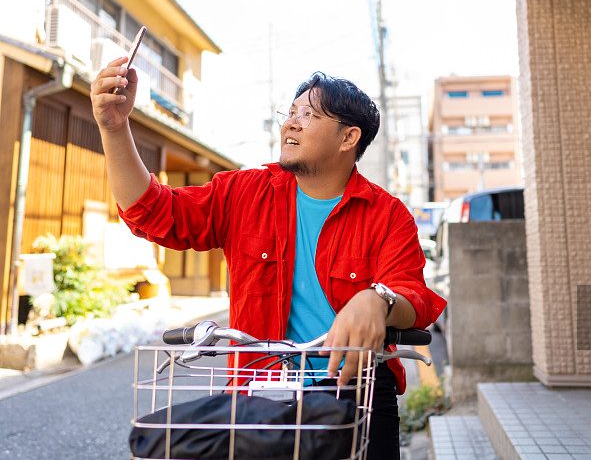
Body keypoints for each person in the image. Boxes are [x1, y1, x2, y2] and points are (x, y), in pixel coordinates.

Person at [90, 57, 446, 459]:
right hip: (259, 389)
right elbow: (153, 212)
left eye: (308, 115)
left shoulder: (387, 214)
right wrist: (114, 128)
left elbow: (413, 296)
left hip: (356, 389)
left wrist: (377, 300)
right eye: (290, 113)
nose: (291, 123)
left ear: (348, 138)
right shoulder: (244, 191)